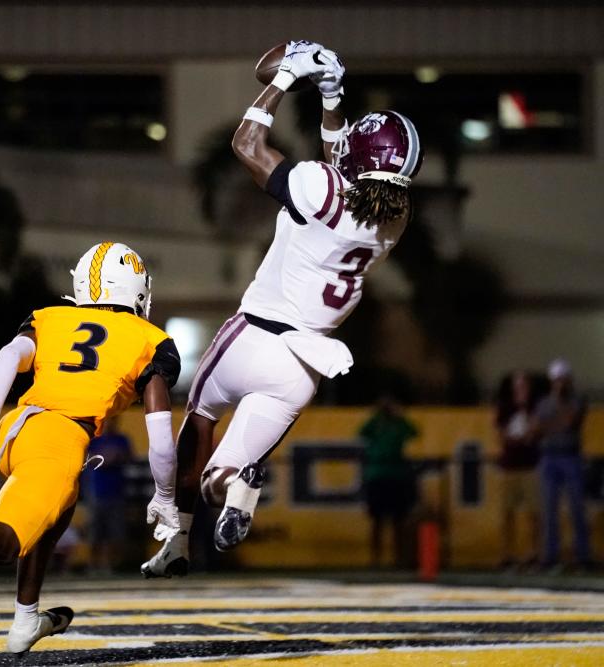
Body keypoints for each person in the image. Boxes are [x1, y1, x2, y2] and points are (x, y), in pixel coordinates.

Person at [143, 39, 423, 576]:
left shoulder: (322, 189)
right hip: (305, 366)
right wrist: (333, 97)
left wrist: (285, 81)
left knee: (198, 422)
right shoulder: (393, 220)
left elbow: (248, 145)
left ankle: (176, 538)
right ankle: (235, 490)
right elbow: (338, 166)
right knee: (219, 474)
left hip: (254, 337)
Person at [0, 242, 181, 657]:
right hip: (58, 441)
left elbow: (9, 356)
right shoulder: (152, 340)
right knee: (6, 544)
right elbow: (161, 437)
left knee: (55, 517)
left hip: (16, 426)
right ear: (137, 289)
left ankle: (26, 619)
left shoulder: (52, 317)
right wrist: (167, 496)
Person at [534, 358, 590, 571]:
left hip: (570, 457)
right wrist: (550, 424)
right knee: (549, 509)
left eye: (563, 379)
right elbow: (535, 429)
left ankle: (583, 556)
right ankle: (550, 556)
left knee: (577, 507)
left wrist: (548, 424)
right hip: (549, 457)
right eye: (557, 380)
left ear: (569, 380)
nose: (560, 383)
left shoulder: (576, 400)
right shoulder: (543, 402)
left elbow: (570, 422)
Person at [359, 397, 418, 568]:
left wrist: (399, 415)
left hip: (395, 475)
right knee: (377, 520)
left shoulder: (398, 423)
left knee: (398, 520)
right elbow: (361, 432)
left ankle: (399, 558)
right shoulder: (376, 423)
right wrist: (376, 415)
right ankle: (375, 559)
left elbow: (413, 432)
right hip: (377, 475)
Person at [495, 371, 541, 570]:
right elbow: (500, 433)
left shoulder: (535, 407)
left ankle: (534, 552)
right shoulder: (505, 408)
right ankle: (508, 553)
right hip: (511, 466)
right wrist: (517, 438)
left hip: (530, 465)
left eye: (524, 385)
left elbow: (536, 430)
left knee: (534, 512)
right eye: (518, 385)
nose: (521, 389)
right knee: (507, 512)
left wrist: (528, 434)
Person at [82, 417, 134, 572]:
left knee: (115, 532)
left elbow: (129, 457)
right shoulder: (93, 440)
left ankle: (111, 565)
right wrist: (104, 457)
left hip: (116, 492)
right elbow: (86, 459)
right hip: (96, 492)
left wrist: (116, 456)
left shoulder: (122, 439)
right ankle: (93, 564)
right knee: (95, 532)